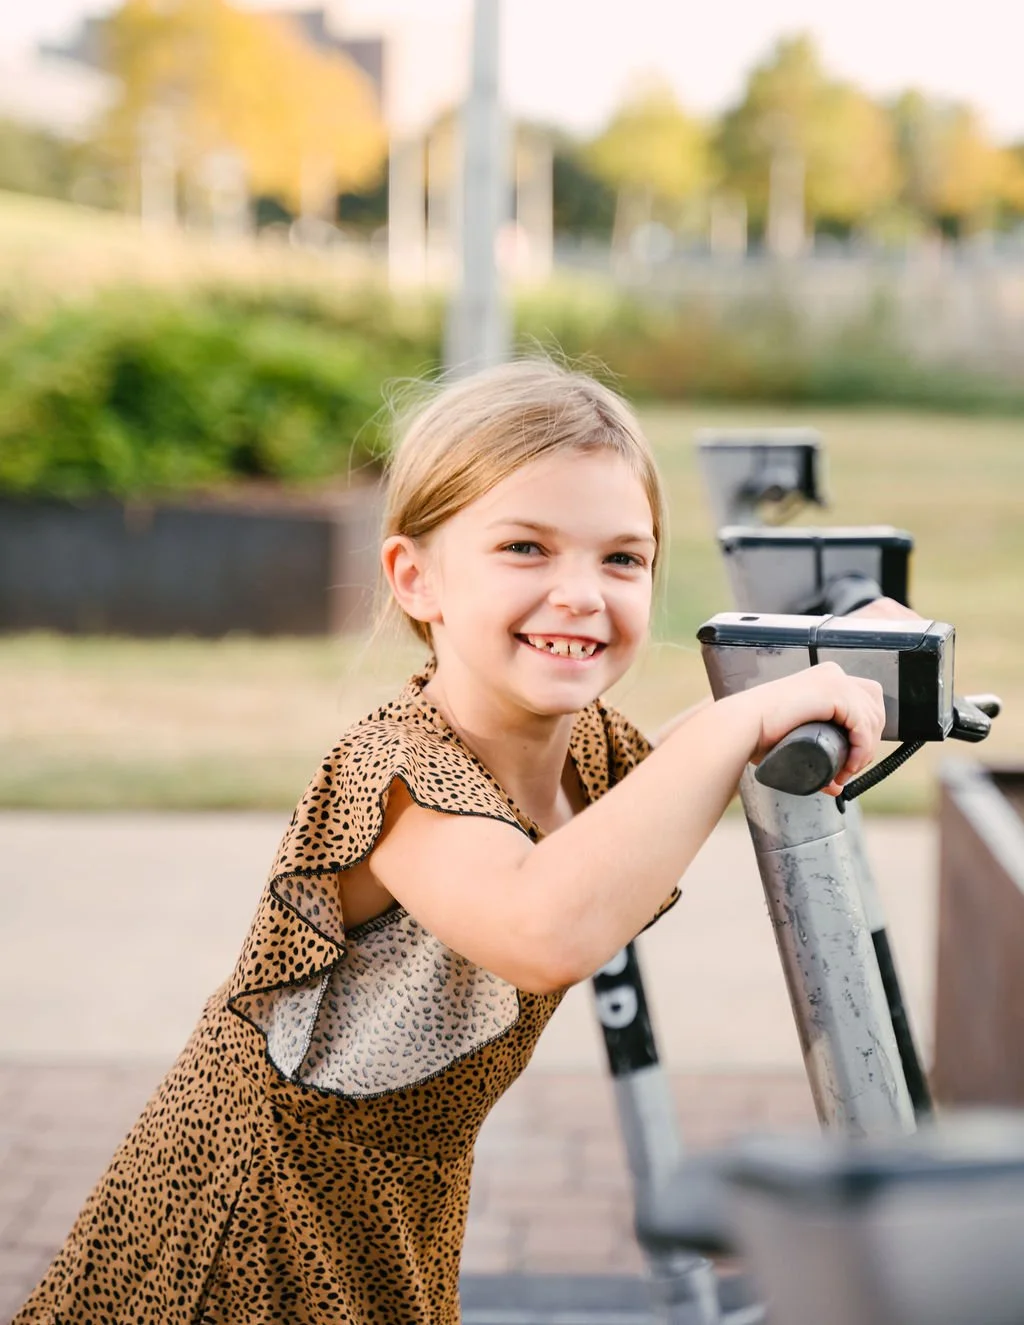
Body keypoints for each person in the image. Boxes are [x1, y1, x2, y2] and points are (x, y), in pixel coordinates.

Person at [15, 359, 885, 1325]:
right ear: (415, 577)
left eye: (622, 558)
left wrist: (835, 662)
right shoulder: (392, 776)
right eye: (525, 547)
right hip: (247, 1220)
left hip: (389, 1203)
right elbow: (540, 926)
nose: (580, 594)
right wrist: (742, 720)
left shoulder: (579, 750)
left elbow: (652, 792)